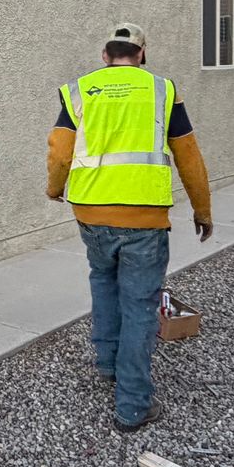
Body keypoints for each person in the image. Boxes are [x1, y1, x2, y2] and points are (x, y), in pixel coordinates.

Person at [46, 23, 214, 431]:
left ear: (105, 55)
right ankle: (133, 405)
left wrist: (55, 189)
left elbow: (59, 150)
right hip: (144, 217)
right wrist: (202, 209)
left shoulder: (81, 89)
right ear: (142, 54)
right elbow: (188, 155)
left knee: (103, 283)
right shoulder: (161, 89)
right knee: (139, 306)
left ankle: (107, 364)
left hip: (91, 214)